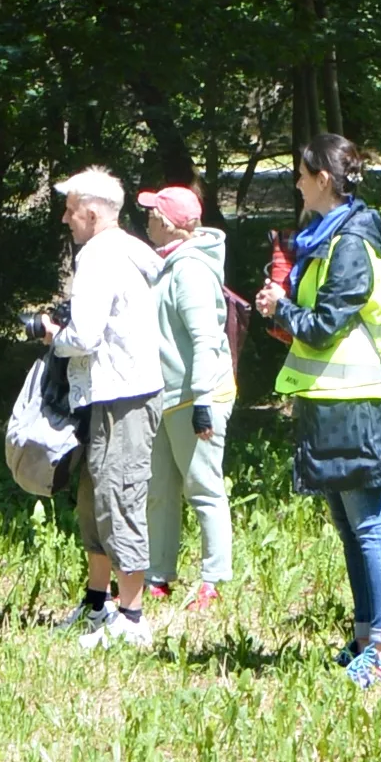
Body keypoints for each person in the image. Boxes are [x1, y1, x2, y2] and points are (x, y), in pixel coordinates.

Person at [259, 131, 381, 687]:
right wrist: (286, 307)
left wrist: (286, 308)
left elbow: (324, 327)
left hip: (358, 406)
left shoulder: (349, 245)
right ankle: (367, 635)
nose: (296, 182)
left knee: (370, 527)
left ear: (323, 179)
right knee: (350, 527)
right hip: (332, 404)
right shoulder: (327, 239)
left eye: (301, 173)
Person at [41, 167, 163, 648]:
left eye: (71, 209)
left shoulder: (97, 255)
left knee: (120, 499)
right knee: (94, 498)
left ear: (91, 212)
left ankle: (131, 619)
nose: (66, 218)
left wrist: (54, 337)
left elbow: (85, 335)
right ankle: (98, 604)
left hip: (122, 396)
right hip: (111, 394)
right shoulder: (128, 250)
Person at [138, 185, 234, 617]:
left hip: (196, 397)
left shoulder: (190, 270)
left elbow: (205, 340)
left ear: (169, 223)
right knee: (159, 490)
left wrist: (202, 401)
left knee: (204, 489)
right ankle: (158, 575)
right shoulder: (166, 265)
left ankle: (213, 580)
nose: (147, 220)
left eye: (153, 213)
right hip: (164, 397)